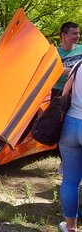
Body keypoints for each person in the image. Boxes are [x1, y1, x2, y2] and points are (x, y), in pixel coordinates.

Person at [58, 59, 82, 232]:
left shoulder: (78, 64)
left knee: (70, 181)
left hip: (71, 125)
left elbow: (64, 93)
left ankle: (70, 227)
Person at [52, 22, 82, 97]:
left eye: (79, 33)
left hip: (77, 90)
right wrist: (60, 70)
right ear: (63, 35)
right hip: (59, 91)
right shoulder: (54, 53)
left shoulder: (81, 49)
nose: (78, 36)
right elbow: (45, 71)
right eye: (74, 33)